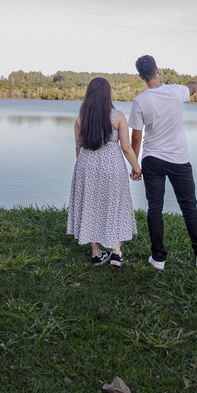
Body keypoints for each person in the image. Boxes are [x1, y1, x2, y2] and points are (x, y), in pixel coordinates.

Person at [129, 55, 197, 270]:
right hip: (179, 160)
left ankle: (158, 259)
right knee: (189, 207)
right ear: (157, 69)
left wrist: (135, 166)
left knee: (154, 208)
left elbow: (136, 138)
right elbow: (190, 89)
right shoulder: (175, 91)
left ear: (140, 76)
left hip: (152, 159)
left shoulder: (140, 101)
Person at [66, 77, 142, 266]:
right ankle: (116, 253)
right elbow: (126, 147)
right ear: (108, 94)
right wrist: (137, 168)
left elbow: (78, 146)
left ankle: (96, 253)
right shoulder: (117, 116)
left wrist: (83, 167)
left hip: (86, 165)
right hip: (112, 167)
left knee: (90, 206)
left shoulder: (81, 117)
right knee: (116, 204)